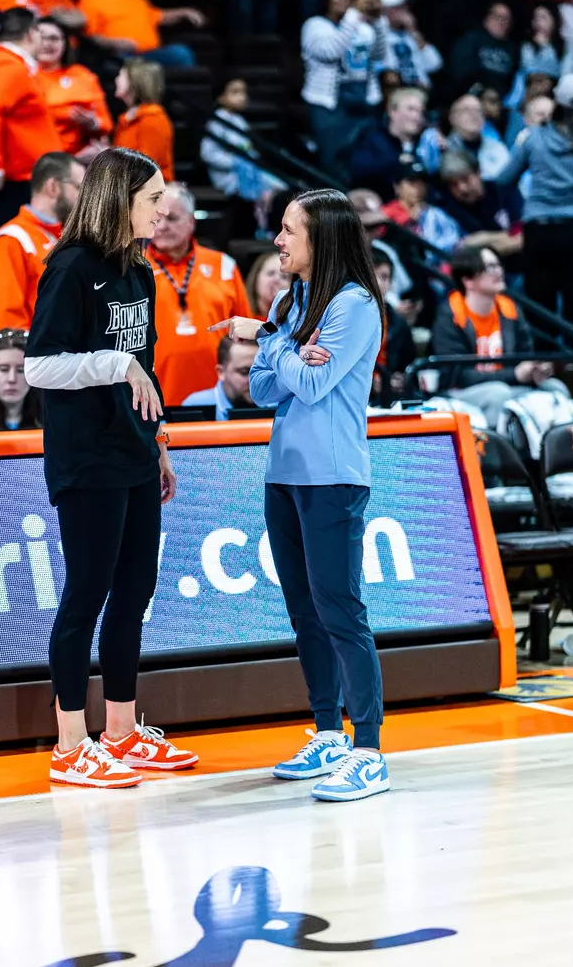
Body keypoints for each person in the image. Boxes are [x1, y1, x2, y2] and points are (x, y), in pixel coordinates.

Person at [24, 148, 197, 789]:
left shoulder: (139, 272)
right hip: (87, 456)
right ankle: (71, 743)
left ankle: (121, 732)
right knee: (86, 597)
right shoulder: (69, 267)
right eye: (154, 198)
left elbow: (143, 370)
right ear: (119, 199)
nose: (165, 208)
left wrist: (160, 441)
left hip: (133, 452)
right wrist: (113, 364)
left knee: (134, 595)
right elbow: (41, 367)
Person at [212, 189, 388, 801]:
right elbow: (261, 386)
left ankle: (368, 748)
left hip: (333, 476)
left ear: (323, 238)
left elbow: (311, 383)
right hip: (282, 475)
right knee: (304, 612)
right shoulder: (293, 302)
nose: (279, 240)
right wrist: (281, 345)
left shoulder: (356, 304)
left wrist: (271, 340)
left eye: (289, 230)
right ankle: (327, 733)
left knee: (341, 609)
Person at [432, 244, 567, 425]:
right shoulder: (451, 314)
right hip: (462, 392)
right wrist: (515, 375)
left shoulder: (509, 309)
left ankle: (555, 450)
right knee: (497, 393)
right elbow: (456, 375)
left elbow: (525, 354)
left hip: (509, 385)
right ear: (468, 280)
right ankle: (493, 452)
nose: (498, 271)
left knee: (556, 388)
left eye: (498, 265)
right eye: (489, 267)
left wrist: (535, 370)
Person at [146, 183, 251, 405]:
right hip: (152, 399)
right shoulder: (132, 267)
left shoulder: (223, 265)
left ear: (192, 222)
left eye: (172, 218)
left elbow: (244, 334)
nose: (163, 226)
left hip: (217, 399)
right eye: (157, 218)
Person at [497, 73, 573, 335]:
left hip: (539, 228)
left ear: (557, 100)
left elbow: (504, 178)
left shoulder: (532, 137)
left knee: (540, 303)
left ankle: (543, 363)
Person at [0, 7, 61, 230]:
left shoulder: (12, 65)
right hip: (15, 181)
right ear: (31, 33)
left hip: (26, 177)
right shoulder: (7, 66)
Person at [0, 151, 85, 334]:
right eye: (79, 188)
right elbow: (7, 323)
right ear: (53, 187)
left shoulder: (69, 237)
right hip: (41, 358)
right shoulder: (12, 240)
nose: (85, 199)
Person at [301, 0, 388, 180]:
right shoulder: (314, 25)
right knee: (334, 163)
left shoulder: (361, 27)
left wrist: (378, 21)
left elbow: (379, 55)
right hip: (330, 106)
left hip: (362, 100)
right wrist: (353, 15)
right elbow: (331, 51)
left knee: (366, 159)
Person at [36, 18, 112, 157]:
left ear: (66, 43)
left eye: (54, 38)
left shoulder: (82, 75)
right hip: (38, 157)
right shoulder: (23, 73)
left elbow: (106, 123)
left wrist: (91, 122)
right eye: (41, 37)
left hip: (81, 155)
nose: (47, 43)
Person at [200, 76, 283, 201]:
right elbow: (207, 154)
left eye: (244, 92)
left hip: (247, 171)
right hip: (227, 175)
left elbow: (247, 147)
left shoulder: (240, 120)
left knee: (280, 187)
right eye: (235, 92)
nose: (242, 97)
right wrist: (235, 163)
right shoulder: (217, 121)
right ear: (221, 97)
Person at [438, 149, 523, 259]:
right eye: (454, 184)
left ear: (478, 172)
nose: (462, 188)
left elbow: (521, 239)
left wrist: (484, 238)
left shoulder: (504, 191)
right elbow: (459, 249)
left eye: (465, 179)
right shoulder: (450, 209)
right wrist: (501, 238)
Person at [351, 87, 428, 199]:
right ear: (393, 111)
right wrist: (397, 160)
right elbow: (358, 169)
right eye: (411, 109)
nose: (417, 117)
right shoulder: (372, 139)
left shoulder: (424, 143)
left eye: (421, 112)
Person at [113, 58, 174, 182]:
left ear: (135, 82)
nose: (116, 79)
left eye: (121, 75)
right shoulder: (126, 118)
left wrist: (107, 156)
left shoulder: (153, 119)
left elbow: (145, 168)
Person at [382, 159, 462, 253]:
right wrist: (409, 220)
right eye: (412, 184)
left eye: (422, 184)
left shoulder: (434, 212)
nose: (418, 189)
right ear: (397, 187)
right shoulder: (386, 212)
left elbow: (453, 236)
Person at [449, 1, 519, 98]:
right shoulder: (471, 40)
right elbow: (462, 73)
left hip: (501, 99)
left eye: (506, 20)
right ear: (487, 19)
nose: (502, 23)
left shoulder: (512, 49)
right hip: (473, 95)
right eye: (498, 17)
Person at [372, 246, 416, 398]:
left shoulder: (399, 324)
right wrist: (370, 384)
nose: (378, 283)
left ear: (391, 284)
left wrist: (400, 380)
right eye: (372, 276)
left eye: (384, 277)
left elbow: (409, 368)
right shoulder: (343, 319)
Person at [379, 0, 443, 90]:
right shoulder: (379, 35)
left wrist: (413, 30)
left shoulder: (411, 35)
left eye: (404, 6)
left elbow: (435, 64)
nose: (403, 11)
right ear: (384, 11)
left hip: (422, 89)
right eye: (397, 7)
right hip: (398, 91)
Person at [182, 336, 260, 417]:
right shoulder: (196, 407)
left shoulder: (273, 404)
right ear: (221, 372)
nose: (256, 380)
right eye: (244, 372)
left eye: (260, 372)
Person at [245, 250, 290, 319]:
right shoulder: (240, 314)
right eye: (270, 273)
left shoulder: (295, 322)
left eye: (284, 277)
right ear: (256, 278)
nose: (276, 280)